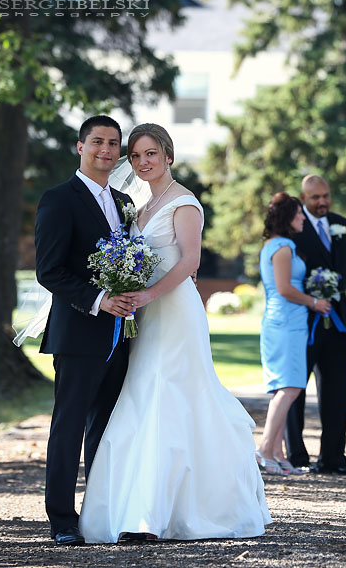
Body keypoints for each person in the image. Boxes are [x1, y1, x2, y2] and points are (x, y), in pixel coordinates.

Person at [78, 123, 271, 542]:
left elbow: (189, 261)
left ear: (168, 155)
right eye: (135, 156)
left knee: (170, 392)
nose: (142, 162)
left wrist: (147, 294)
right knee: (142, 393)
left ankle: (159, 514)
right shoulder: (139, 205)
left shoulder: (184, 202)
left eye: (150, 153)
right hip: (145, 315)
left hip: (174, 310)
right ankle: (140, 505)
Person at [35, 115, 136, 546]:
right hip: (78, 333)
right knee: (69, 426)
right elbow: (50, 270)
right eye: (98, 142)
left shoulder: (124, 201)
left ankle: (97, 512)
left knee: (106, 426)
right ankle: (61, 519)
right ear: (80, 147)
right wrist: (99, 300)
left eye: (114, 143)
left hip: (122, 336)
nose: (106, 151)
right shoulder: (58, 199)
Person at [285, 174, 346, 475]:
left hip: (338, 323)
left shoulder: (341, 225)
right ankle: (296, 456)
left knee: (337, 390)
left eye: (326, 196)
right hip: (303, 321)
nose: (322, 202)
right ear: (303, 198)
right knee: (295, 388)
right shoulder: (292, 227)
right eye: (315, 198)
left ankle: (333, 458)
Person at [257, 193, 333, 476]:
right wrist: (316, 302)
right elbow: (284, 288)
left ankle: (278, 454)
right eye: (299, 213)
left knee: (285, 387)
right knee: (289, 387)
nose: (303, 218)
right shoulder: (284, 247)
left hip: (288, 323)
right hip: (285, 324)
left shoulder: (276, 245)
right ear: (288, 217)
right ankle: (265, 450)